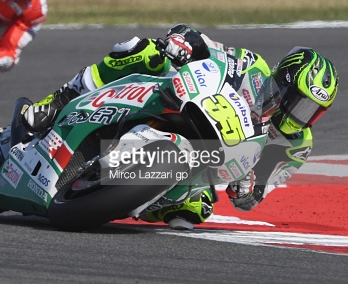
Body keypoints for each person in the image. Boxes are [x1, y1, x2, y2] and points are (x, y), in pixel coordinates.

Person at [23, 24, 339, 229]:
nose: (300, 114)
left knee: (194, 211)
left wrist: (248, 187)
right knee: (143, 51)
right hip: (185, 106)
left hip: (205, 164)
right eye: (298, 101)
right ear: (281, 82)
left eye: (312, 110)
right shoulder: (252, 68)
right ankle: (57, 101)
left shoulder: (296, 144)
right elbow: (208, 47)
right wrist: (183, 42)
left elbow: (250, 198)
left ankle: (122, 196)